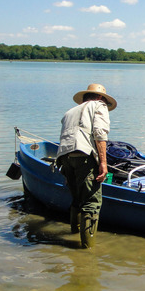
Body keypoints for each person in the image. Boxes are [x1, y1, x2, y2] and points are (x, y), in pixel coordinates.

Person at [56, 83, 117, 248]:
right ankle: (86, 249)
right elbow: (100, 133)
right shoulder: (99, 105)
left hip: (64, 157)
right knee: (91, 202)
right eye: (103, 98)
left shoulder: (69, 112)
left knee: (77, 199)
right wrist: (103, 163)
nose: (104, 101)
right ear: (99, 97)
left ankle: (74, 233)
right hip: (84, 156)